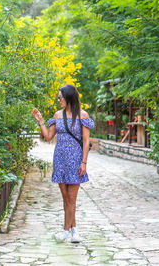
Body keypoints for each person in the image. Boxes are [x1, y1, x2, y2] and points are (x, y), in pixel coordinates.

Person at [32, 84, 95, 243]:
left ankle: (65, 231)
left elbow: (86, 141)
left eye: (60, 97)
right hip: (60, 159)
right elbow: (48, 136)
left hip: (76, 160)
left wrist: (84, 162)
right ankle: (74, 231)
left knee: (72, 199)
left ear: (69, 98)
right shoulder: (57, 115)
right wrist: (40, 121)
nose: (58, 100)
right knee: (65, 198)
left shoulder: (83, 115)